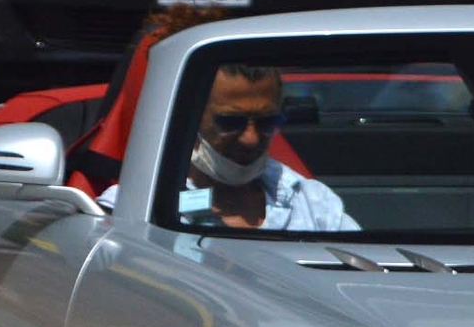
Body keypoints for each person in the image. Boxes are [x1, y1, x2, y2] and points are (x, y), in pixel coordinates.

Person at [101, 61, 357, 232]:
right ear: (188, 118)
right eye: (231, 122)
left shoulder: (314, 204)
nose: (251, 139)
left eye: (267, 122)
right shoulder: (131, 208)